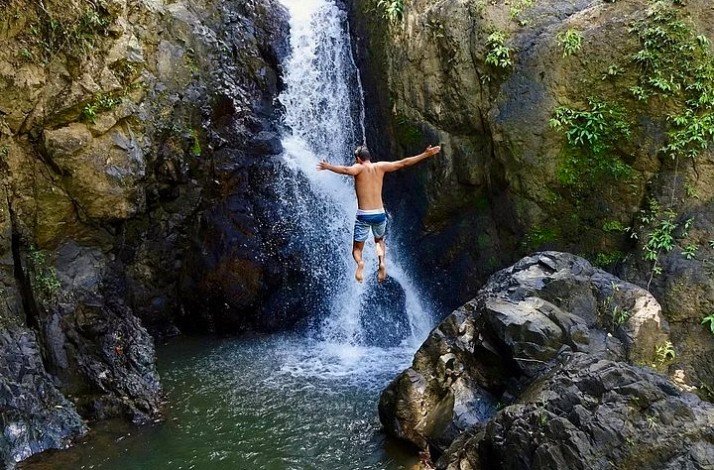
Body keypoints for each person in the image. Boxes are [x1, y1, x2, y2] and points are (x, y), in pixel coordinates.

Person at [316, 144, 442, 283]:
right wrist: (425, 154)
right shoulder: (380, 166)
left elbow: (346, 170)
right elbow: (403, 163)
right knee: (379, 240)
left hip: (364, 215)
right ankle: (382, 262)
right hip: (380, 213)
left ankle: (360, 264)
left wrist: (328, 166)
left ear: (358, 158)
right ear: (369, 157)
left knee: (357, 249)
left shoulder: (358, 168)